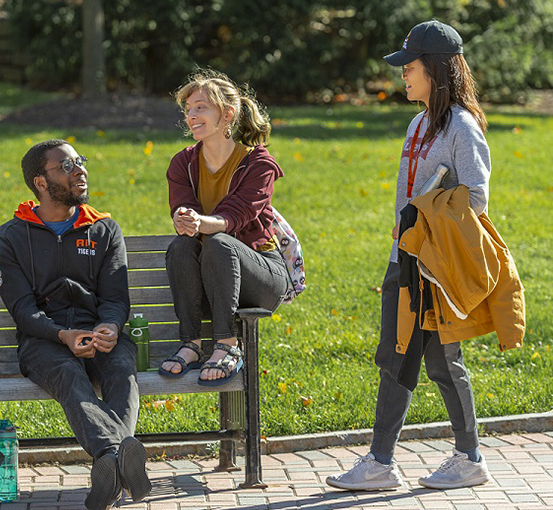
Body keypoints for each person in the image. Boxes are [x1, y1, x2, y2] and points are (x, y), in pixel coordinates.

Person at [326, 20, 521, 491]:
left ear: (435, 70)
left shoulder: (462, 126)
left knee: (439, 361)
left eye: (409, 67)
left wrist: (425, 214)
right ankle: (382, 462)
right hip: (405, 259)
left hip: (434, 264)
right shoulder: (417, 123)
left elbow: (475, 198)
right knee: (397, 356)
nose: (402, 76)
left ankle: (463, 457)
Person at [0, 139, 152, 510]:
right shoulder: (11, 237)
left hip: (98, 332)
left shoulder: (104, 229)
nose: (79, 170)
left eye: (80, 161)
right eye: (66, 166)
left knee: (121, 368)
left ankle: (109, 468)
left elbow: (115, 297)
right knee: (67, 373)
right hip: (43, 338)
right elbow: (21, 308)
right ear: (41, 183)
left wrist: (111, 326)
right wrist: (61, 334)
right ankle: (119, 458)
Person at [159, 69, 291, 385]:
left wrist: (201, 222)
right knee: (181, 245)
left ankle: (227, 344)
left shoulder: (258, 164)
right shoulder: (183, 163)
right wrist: (183, 219)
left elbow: (237, 215)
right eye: (188, 109)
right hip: (211, 278)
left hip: (260, 276)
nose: (191, 115)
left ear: (227, 113)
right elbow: (182, 208)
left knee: (219, 241)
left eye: (200, 107)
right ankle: (191, 344)